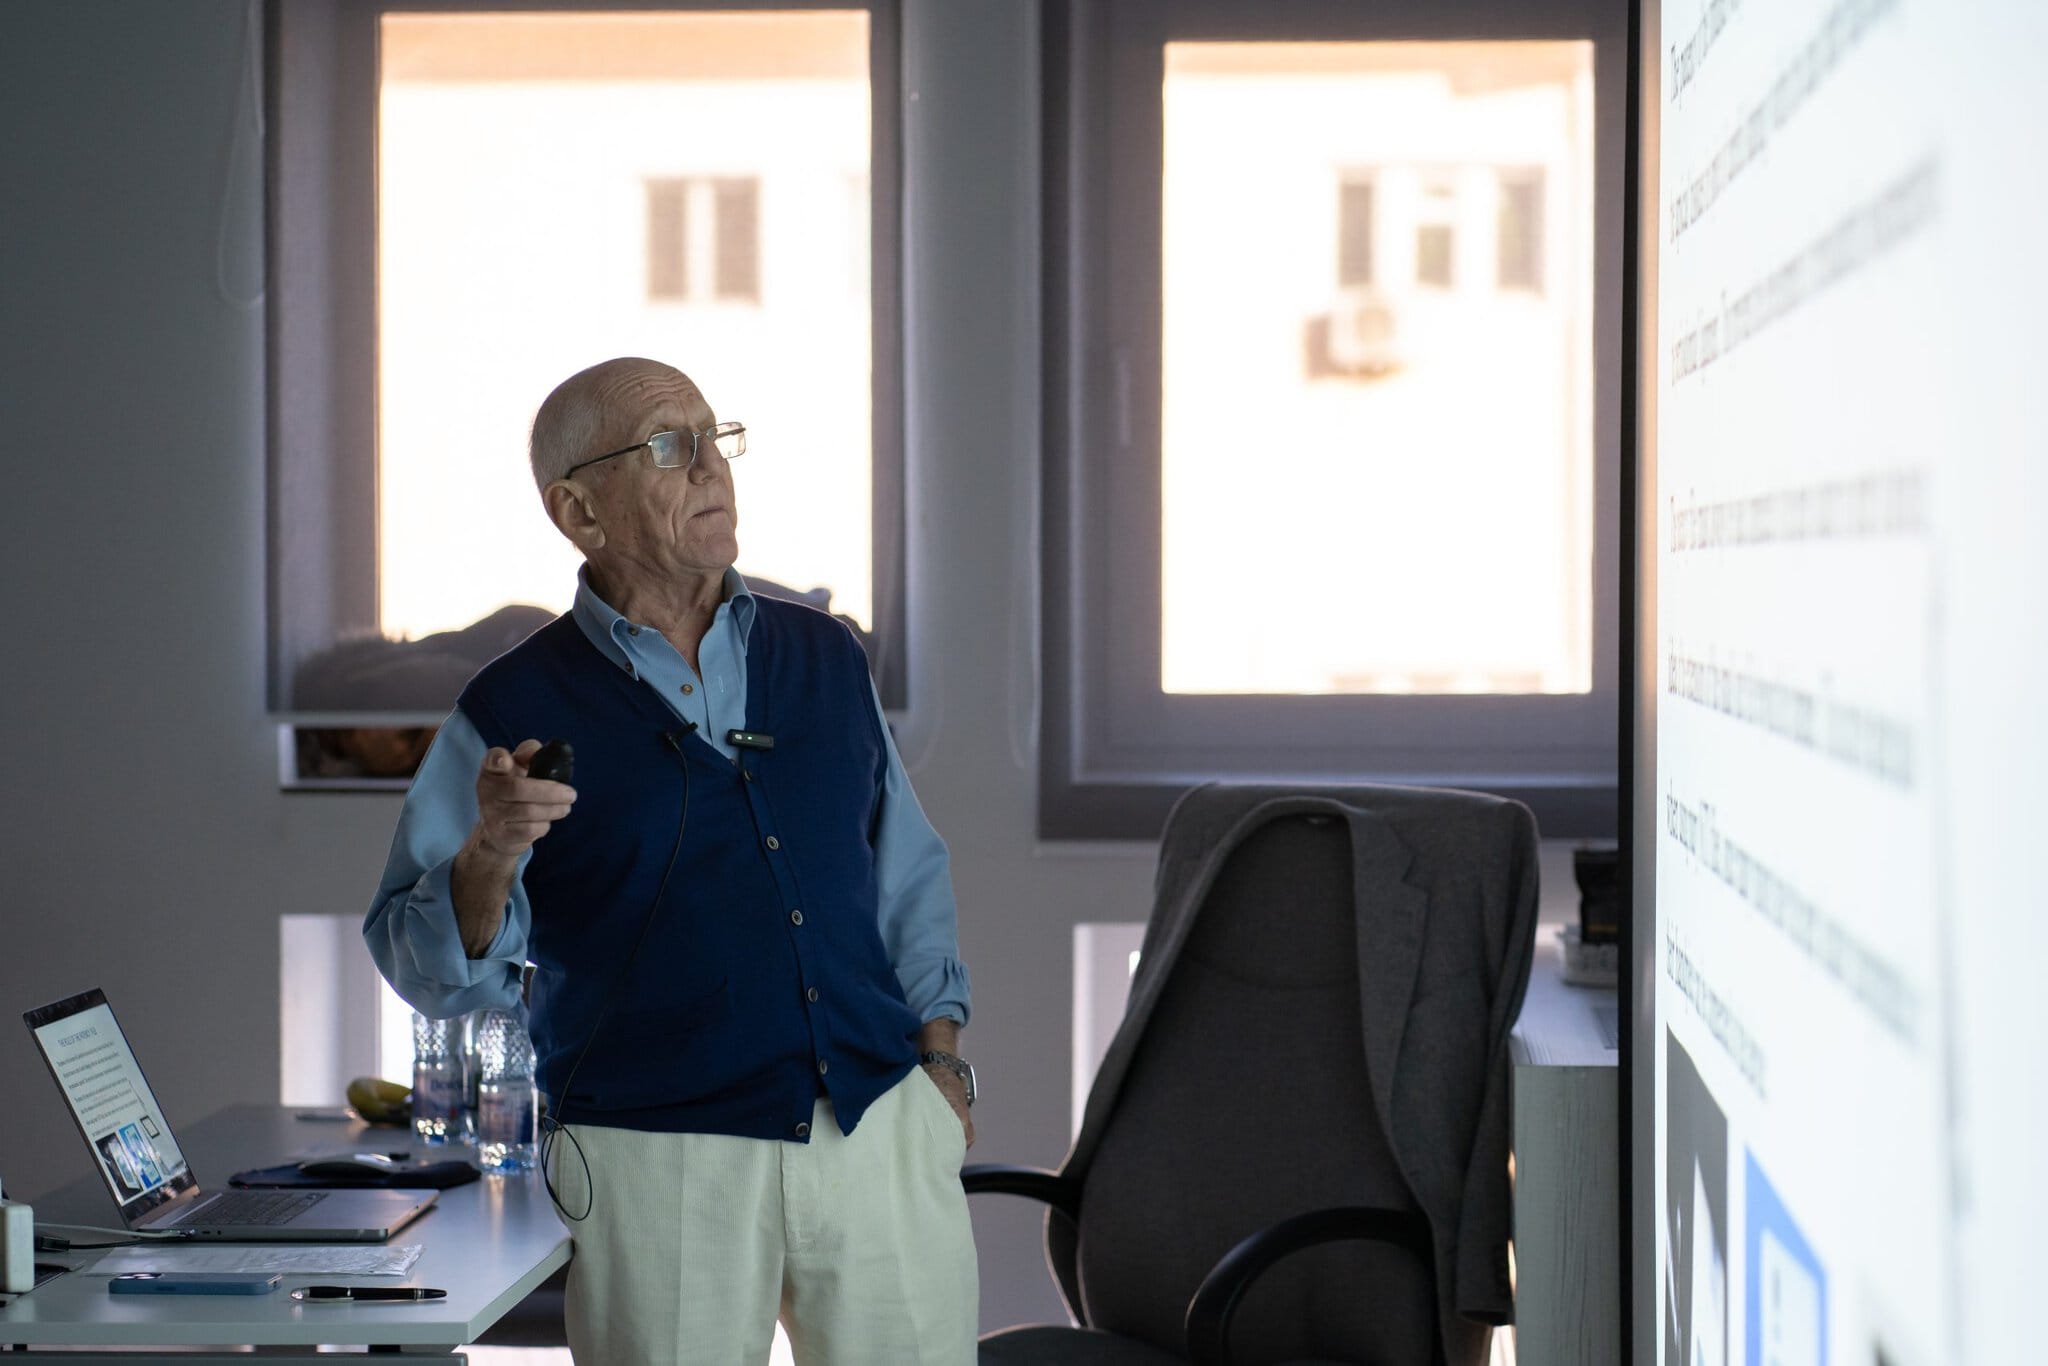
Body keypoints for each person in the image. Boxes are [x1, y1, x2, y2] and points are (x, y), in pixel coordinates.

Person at [364, 357, 978, 1365]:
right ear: (579, 512)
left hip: (877, 1127)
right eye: (666, 445)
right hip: (657, 1161)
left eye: (713, 436)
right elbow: (425, 969)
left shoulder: (826, 656)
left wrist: (941, 1063)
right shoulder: (510, 706)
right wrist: (493, 848)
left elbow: (906, 873)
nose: (709, 468)